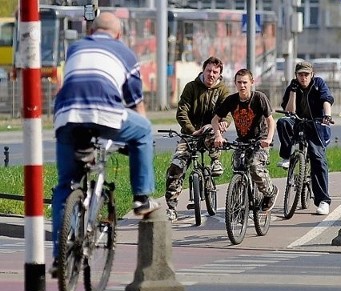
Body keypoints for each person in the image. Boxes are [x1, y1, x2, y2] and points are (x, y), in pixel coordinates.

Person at [50, 12, 160, 276]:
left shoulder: (75, 47)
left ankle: (60, 256)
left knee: (66, 186)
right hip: (106, 115)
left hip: (66, 116)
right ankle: (142, 198)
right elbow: (135, 103)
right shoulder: (125, 53)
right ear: (118, 34)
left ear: (91, 32)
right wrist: (137, 145)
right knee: (143, 130)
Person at [164, 56, 230, 222]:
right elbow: (181, 112)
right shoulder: (191, 87)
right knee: (175, 167)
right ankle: (171, 208)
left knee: (212, 131)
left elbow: (227, 112)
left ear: (220, 74)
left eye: (215, 72)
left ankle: (216, 161)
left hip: (210, 130)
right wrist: (192, 131)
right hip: (189, 134)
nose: (211, 75)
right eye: (209, 71)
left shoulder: (222, 90)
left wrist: (223, 123)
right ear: (203, 70)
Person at [211, 68, 279, 211]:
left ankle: (270, 192)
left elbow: (271, 121)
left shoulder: (259, 98)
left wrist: (268, 139)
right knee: (238, 168)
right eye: (239, 82)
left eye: (245, 82)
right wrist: (218, 135)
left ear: (252, 82)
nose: (242, 85)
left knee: (255, 166)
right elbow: (215, 120)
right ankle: (239, 202)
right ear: (235, 83)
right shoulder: (231, 100)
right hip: (242, 141)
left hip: (260, 141)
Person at [276, 61, 334, 215]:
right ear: (296, 75)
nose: (303, 78)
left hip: (316, 124)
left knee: (318, 159)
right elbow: (289, 111)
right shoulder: (293, 86)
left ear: (312, 74)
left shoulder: (318, 83)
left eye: (306, 74)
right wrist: (293, 92)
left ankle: (323, 200)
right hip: (298, 121)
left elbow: (327, 99)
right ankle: (288, 156)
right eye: (300, 75)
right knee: (283, 122)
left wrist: (327, 115)